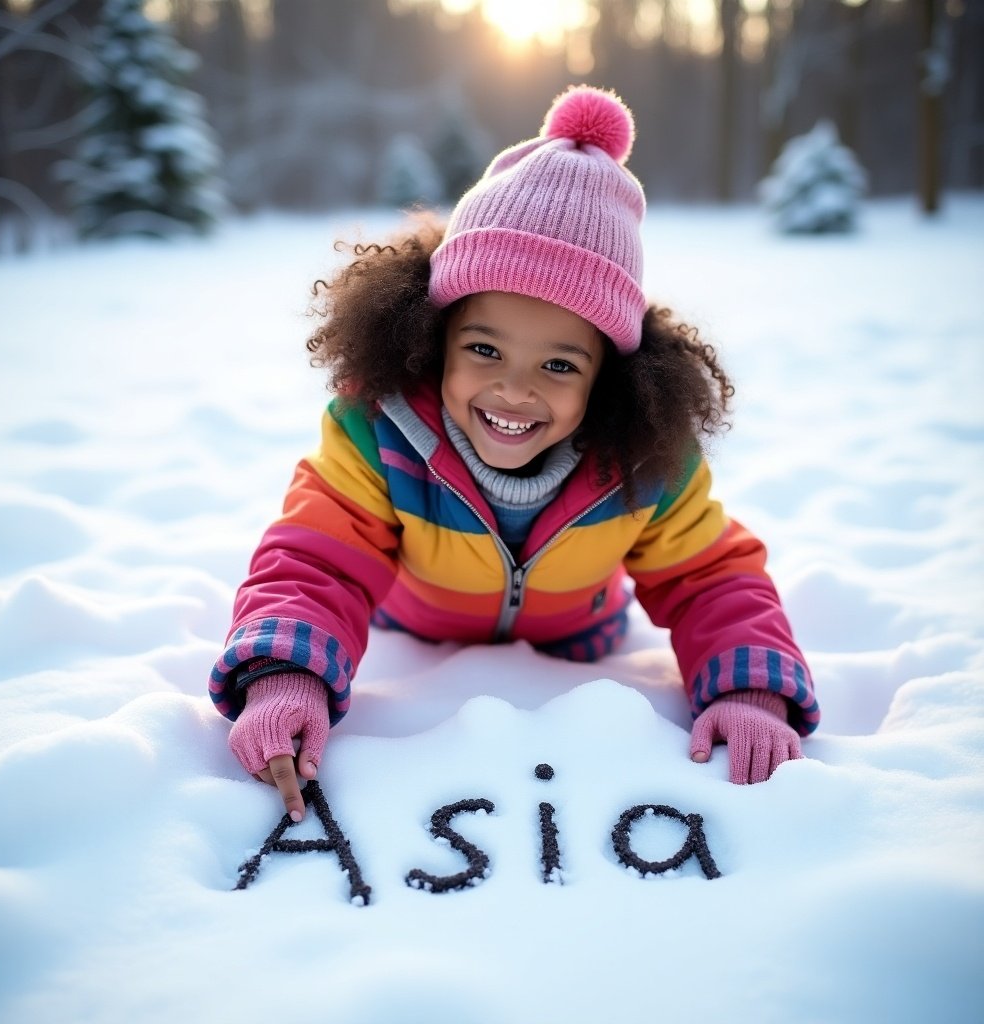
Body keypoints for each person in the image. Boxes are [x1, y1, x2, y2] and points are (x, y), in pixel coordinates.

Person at [209, 85, 819, 821]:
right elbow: (317, 559)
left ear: (610, 377)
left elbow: (710, 577)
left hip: (580, 657)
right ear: (434, 339)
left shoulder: (645, 463)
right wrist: (284, 676)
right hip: (417, 640)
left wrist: (748, 691)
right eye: (483, 349)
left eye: (559, 366)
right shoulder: (380, 435)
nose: (514, 389)